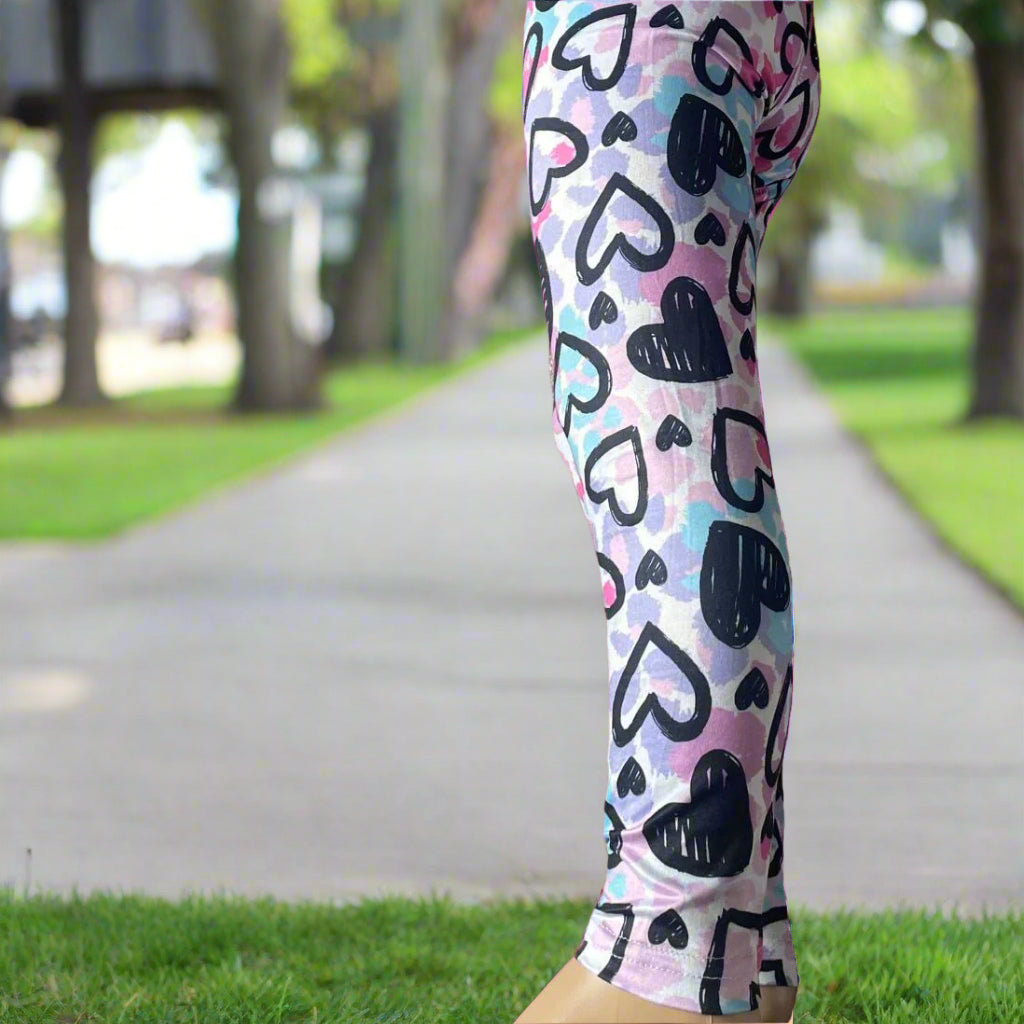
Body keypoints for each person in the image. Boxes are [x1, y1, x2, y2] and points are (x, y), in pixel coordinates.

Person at [516, 2, 821, 1022]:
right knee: (701, 506)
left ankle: (712, 950)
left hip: (693, 31)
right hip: (670, 35)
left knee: (701, 509)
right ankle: (714, 950)